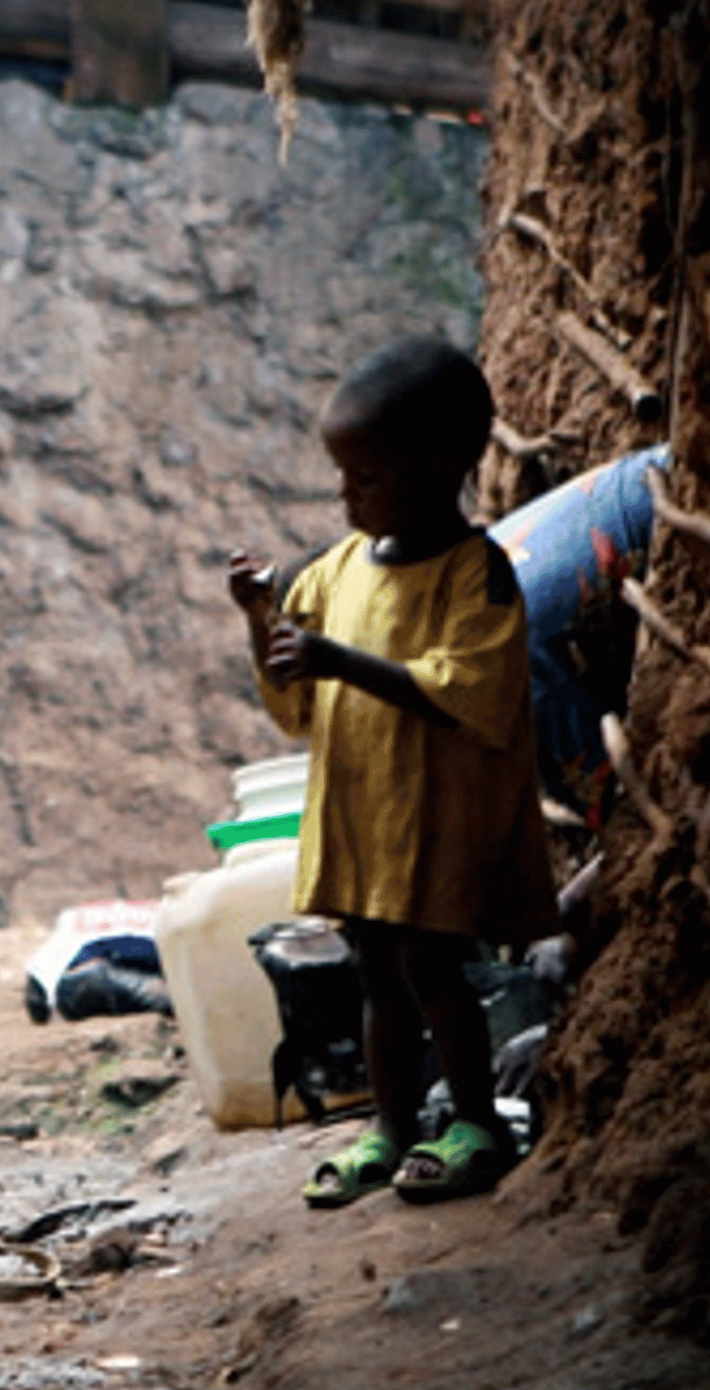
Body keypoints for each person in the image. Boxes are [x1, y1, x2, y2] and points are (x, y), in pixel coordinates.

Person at [226, 337, 556, 1207]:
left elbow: (472, 689)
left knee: (435, 976)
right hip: (364, 823)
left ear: (442, 464)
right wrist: (262, 622)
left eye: (364, 478)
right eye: (342, 476)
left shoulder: (473, 572)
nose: (345, 496)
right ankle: (392, 1126)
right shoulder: (335, 573)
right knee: (375, 978)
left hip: (435, 829)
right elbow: (296, 702)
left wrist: (342, 658)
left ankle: (477, 1119)